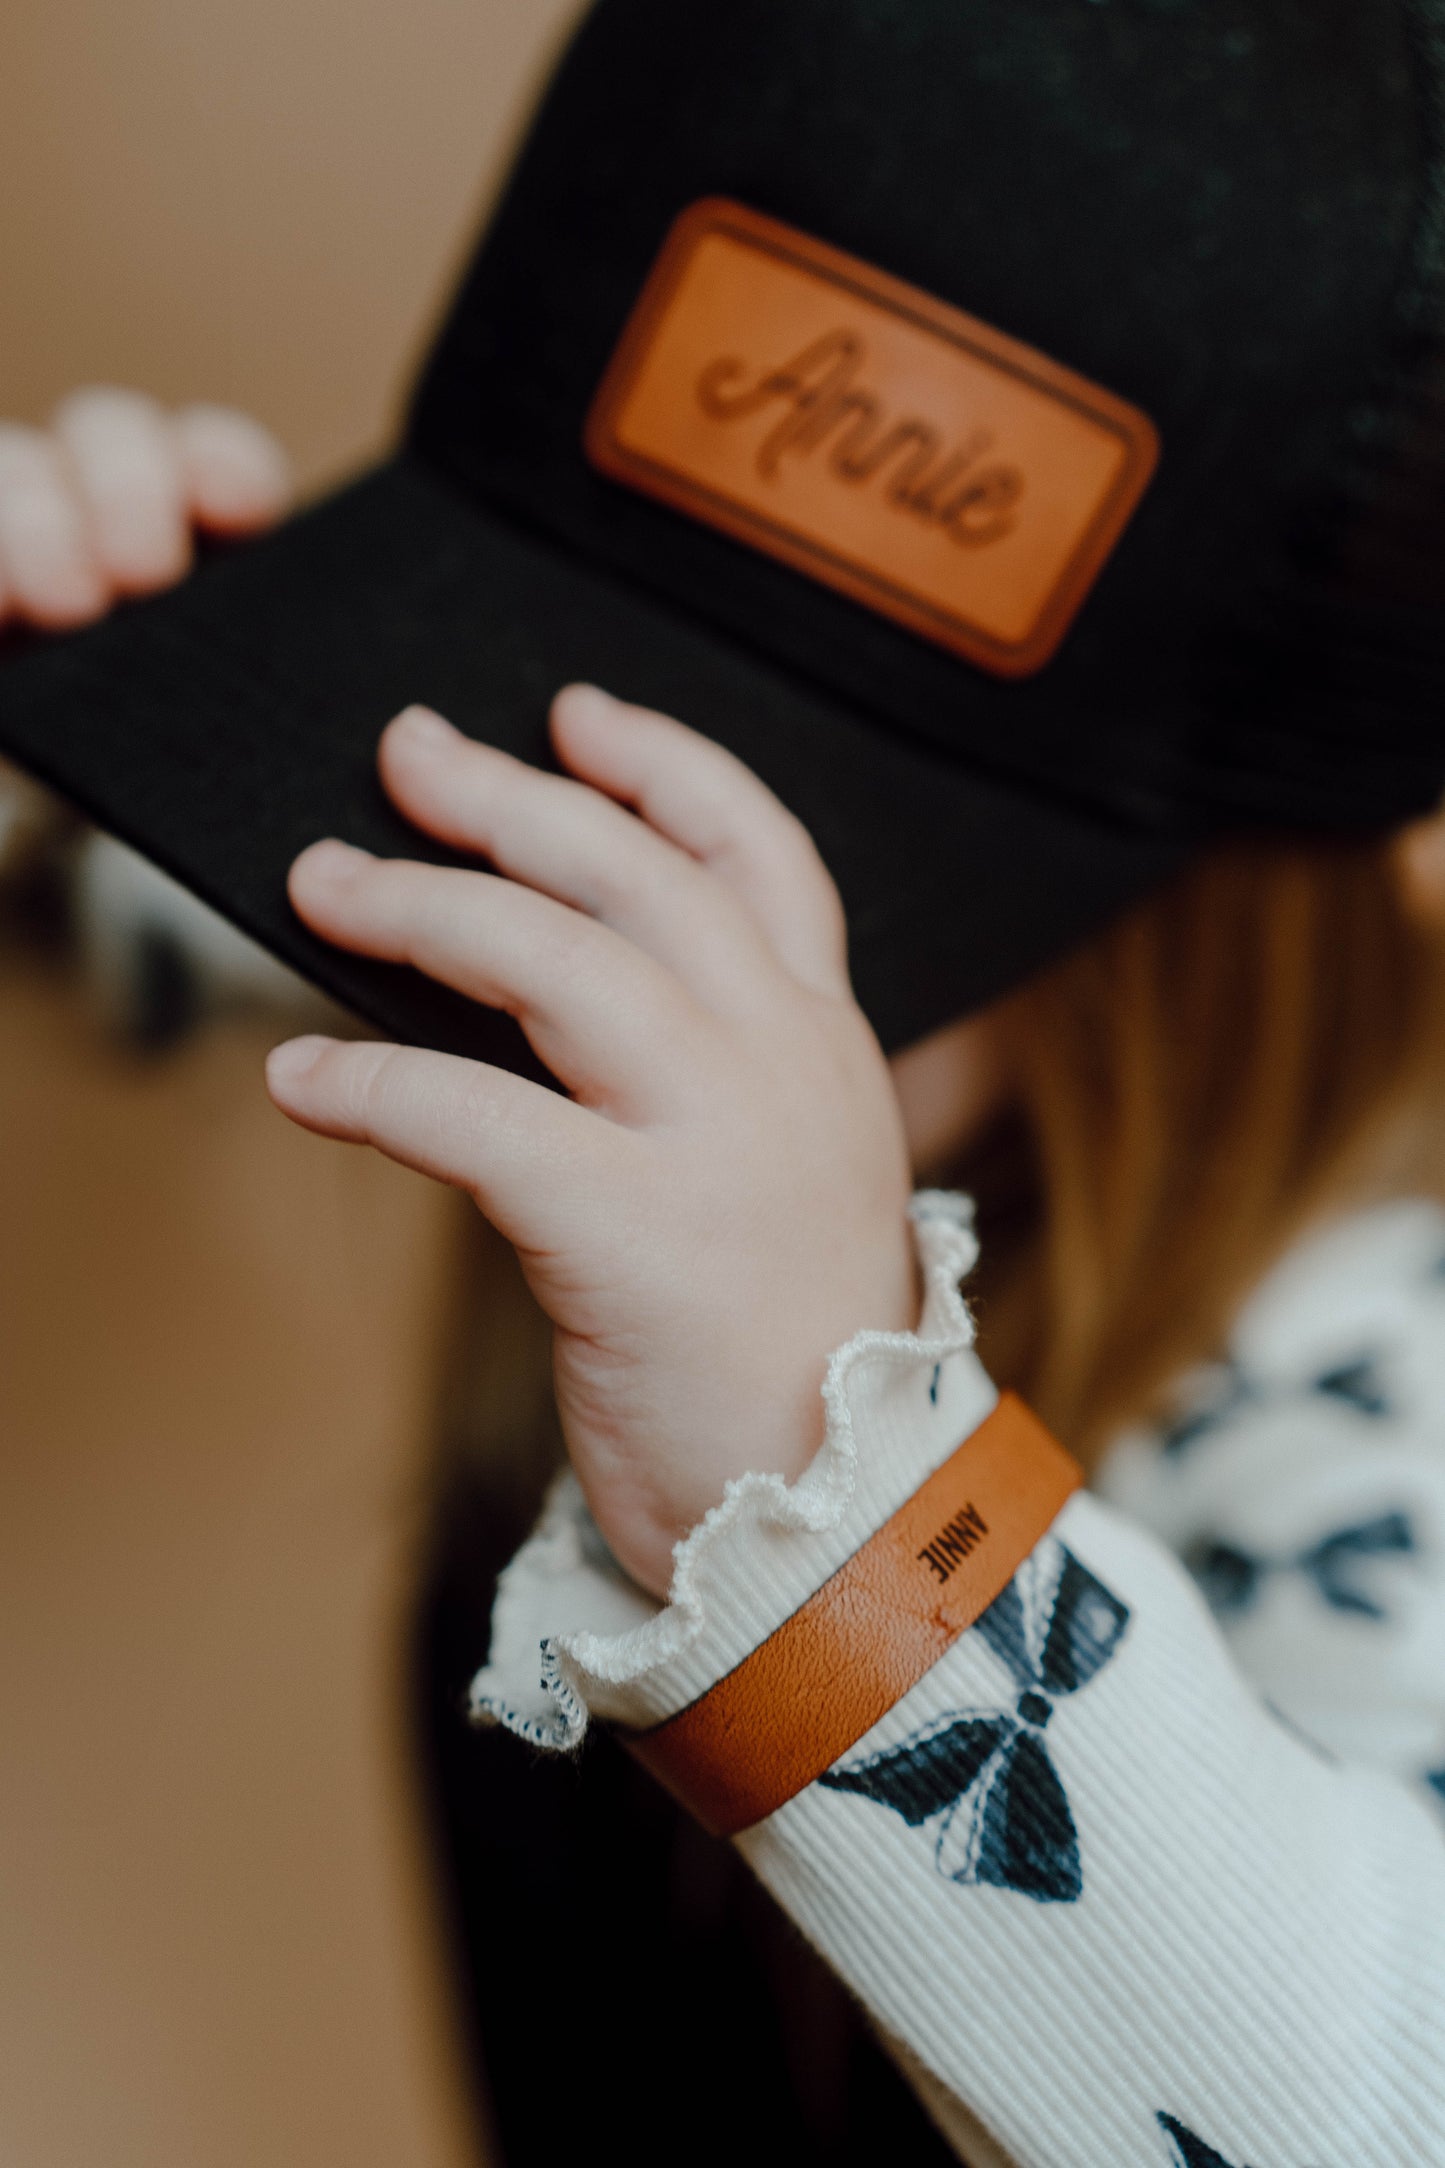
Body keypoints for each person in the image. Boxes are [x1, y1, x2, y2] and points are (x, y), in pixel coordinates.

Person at [5, 368, 1442, 2167]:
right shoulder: (576, 979)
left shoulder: (1362, 1394)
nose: (630, 883)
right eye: (565, 728)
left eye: (814, 798)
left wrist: (831, 1480)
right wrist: (78, 679)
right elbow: (113, 889)